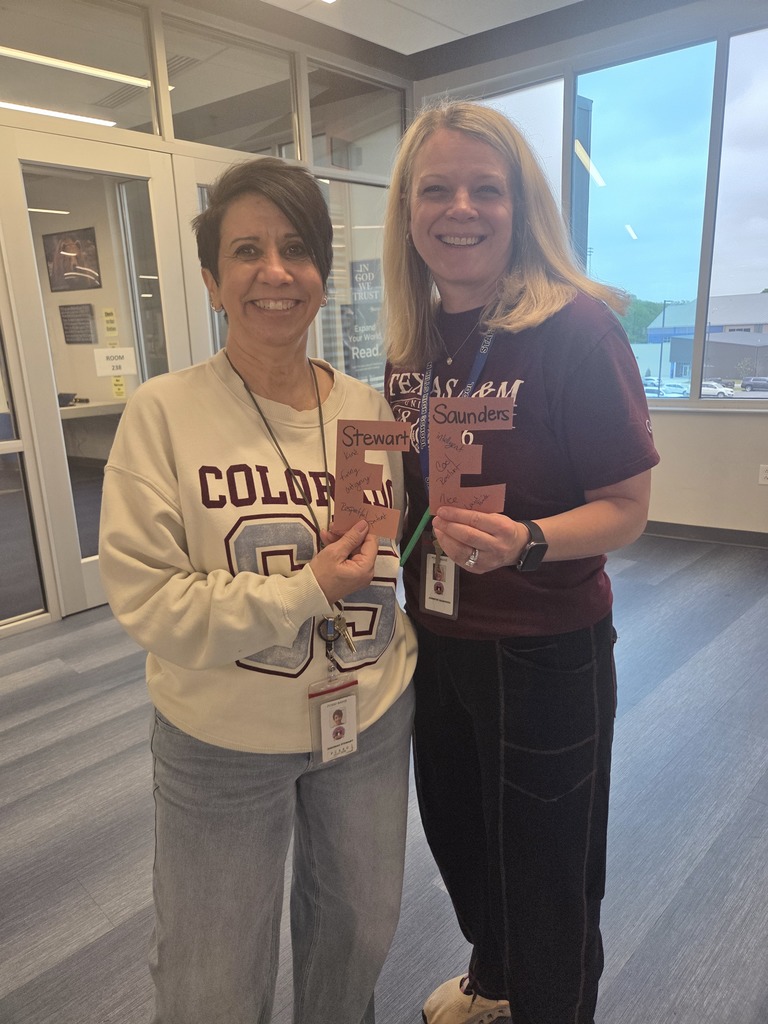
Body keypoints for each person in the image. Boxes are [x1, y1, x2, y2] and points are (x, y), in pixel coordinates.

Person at [99, 157, 416, 1024]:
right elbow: (151, 601)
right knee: (212, 979)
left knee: (358, 935)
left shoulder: (369, 411)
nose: (275, 272)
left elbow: (394, 555)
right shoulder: (164, 413)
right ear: (211, 281)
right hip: (222, 737)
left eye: (296, 249)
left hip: (367, 719)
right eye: (246, 251)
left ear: (321, 276)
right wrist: (303, 591)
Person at [382, 100, 660, 1024]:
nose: (460, 208)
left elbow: (626, 509)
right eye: (436, 189)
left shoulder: (579, 330)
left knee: (548, 872)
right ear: (408, 211)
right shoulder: (413, 342)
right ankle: (496, 983)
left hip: (544, 645)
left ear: (521, 206)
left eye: (486, 189)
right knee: (464, 843)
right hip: (436, 638)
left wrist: (528, 540)